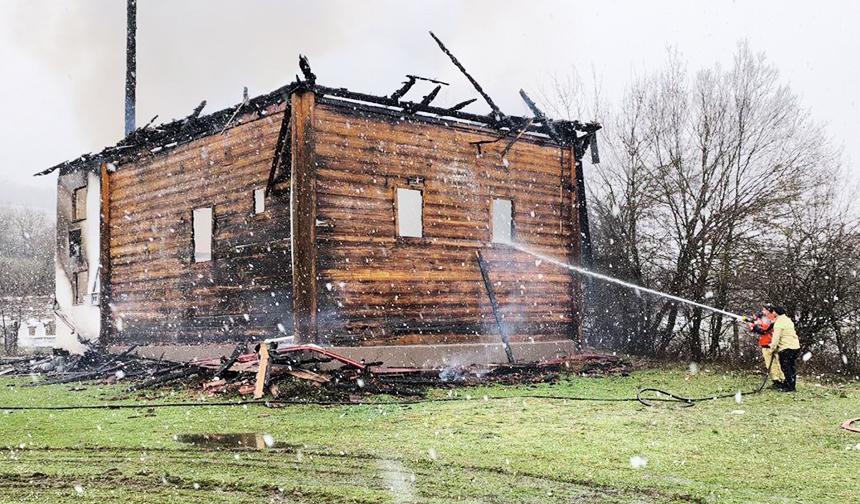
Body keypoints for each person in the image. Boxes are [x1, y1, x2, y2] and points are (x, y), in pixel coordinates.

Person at [748, 305, 784, 389]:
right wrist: (756, 321)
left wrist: (753, 326)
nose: (762, 311)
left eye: (764, 310)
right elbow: (762, 327)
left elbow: (763, 330)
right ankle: (779, 380)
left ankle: (779, 381)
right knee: (774, 364)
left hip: (769, 344)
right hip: (769, 343)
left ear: (769, 310)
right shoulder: (769, 318)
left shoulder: (770, 318)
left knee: (774, 364)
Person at [770, 305, 800, 392]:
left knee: (786, 368)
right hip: (795, 346)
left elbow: (776, 338)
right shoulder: (787, 320)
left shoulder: (779, 323)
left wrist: (772, 348)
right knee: (791, 367)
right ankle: (791, 385)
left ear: (776, 312)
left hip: (786, 348)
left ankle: (789, 387)